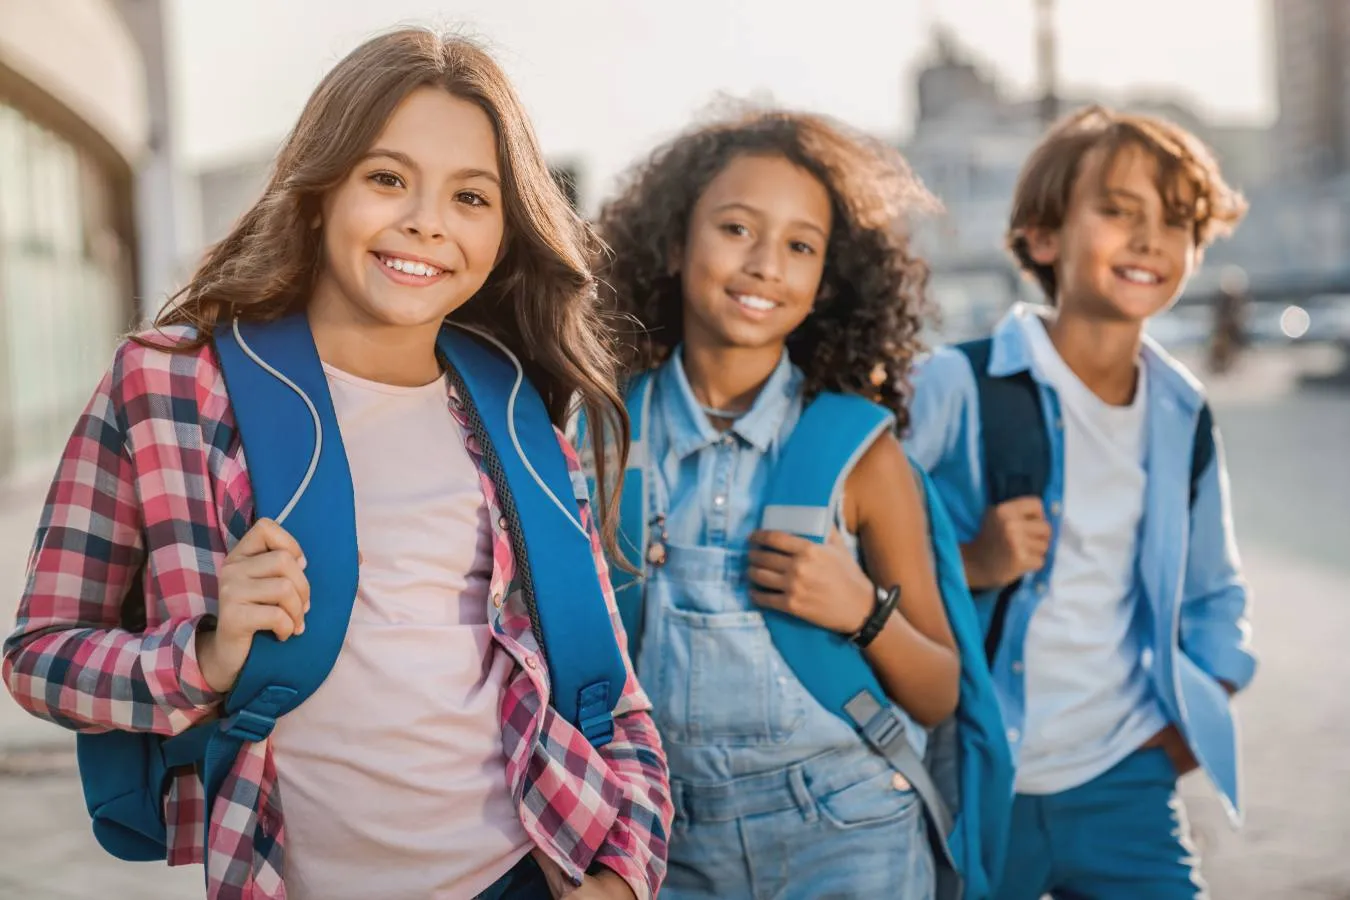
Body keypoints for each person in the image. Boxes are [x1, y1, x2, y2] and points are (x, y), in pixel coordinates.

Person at [3, 28, 670, 900]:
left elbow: (608, 694)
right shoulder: (168, 383)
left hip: (532, 870)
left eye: (472, 196)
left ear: (505, 231)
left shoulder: (517, 408)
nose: (427, 221)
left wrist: (624, 875)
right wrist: (204, 655)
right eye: (387, 178)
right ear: (319, 193)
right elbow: (39, 659)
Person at [591, 108, 961, 899]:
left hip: (850, 835)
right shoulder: (603, 435)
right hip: (659, 844)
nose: (766, 264)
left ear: (826, 282)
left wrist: (863, 610)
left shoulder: (862, 456)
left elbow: (938, 688)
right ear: (673, 242)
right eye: (735, 228)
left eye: (800, 245)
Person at [907, 105, 1254, 900]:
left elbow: (1216, 592)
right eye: (1117, 211)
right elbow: (866, 556)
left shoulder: (1181, 410)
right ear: (1042, 236)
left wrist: (1182, 733)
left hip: (1124, 779)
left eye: (1174, 220)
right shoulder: (958, 385)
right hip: (975, 781)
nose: (1148, 239)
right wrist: (976, 563)